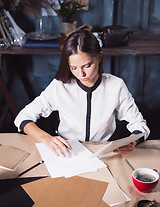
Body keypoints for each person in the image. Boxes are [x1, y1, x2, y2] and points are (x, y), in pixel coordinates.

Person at [14, 29, 150, 156]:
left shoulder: (116, 85)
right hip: (66, 150)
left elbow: (139, 124)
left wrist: (133, 140)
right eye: (73, 68)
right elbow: (23, 117)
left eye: (87, 66)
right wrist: (47, 139)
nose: (81, 74)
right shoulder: (60, 86)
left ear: (99, 57)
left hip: (104, 151)